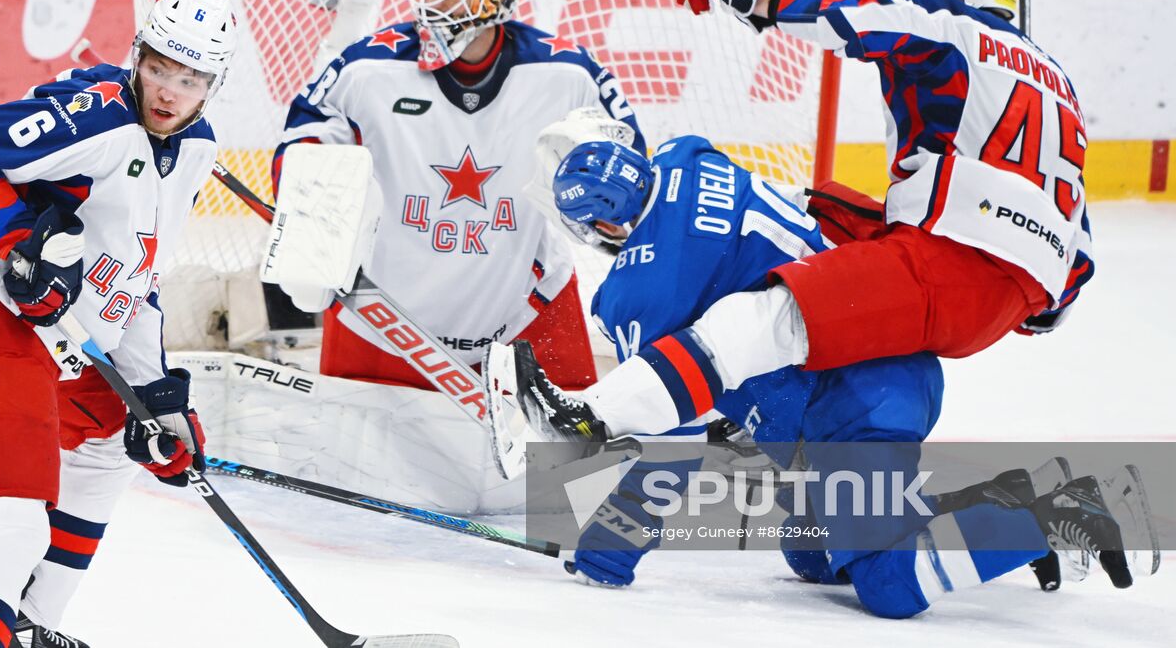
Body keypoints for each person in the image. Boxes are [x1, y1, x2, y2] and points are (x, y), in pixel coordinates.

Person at [487, 136, 1139, 619]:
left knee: (888, 583)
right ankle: (1010, 502)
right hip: (871, 353)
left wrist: (608, 551)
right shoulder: (689, 158)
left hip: (858, 395)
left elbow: (673, 439)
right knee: (815, 557)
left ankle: (1055, 515)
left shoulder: (641, 289)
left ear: (603, 225)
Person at [595, 0, 1093, 397]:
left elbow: (857, 15)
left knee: (778, 293)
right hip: (1013, 294)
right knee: (818, 208)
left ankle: (641, 401)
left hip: (947, 255)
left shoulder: (951, 23)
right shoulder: (1062, 88)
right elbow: (1070, 274)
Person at [0, 0, 237, 647]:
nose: (168, 89)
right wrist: (17, 237)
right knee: (13, 515)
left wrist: (157, 397)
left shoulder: (196, 150)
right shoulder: (95, 119)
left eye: (190, 77)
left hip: (52, 324)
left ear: (212, 85)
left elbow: (135, 284)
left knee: (114, 438)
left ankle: (29, 627)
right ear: (138, 56)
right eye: (159, 67)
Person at [274, 0, 645, 393]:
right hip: (383, 318)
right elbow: (305, 133)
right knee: (356, 467)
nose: (430, 3)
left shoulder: (566, 74)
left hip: (527, 309)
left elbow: (629, 162)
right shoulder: (368, 66)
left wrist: (612, 212)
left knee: (568, 466)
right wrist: (310, 206)